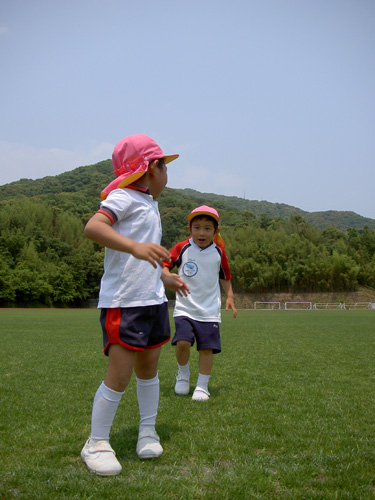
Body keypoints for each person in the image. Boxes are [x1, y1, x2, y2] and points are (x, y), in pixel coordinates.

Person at [81, 134, 189, 476]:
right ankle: (96, 443)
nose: (167, 177)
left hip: (153, 301)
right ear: (152, 168)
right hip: (124, 304)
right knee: (120, 375)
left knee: (149, 370)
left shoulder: (149, 204)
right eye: (165, 168)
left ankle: (147, 430)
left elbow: (145, 260)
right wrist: (134, 246)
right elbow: (93, 227)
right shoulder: (123, 196)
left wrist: (164, 278)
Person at [162, 205, 237, 402]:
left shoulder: (219, 253)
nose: (201, 233)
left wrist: (229, 297)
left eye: (207, 228)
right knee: (183, 343)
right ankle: (183, 375)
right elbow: (164, 264)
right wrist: (167, 275)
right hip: (185, 308)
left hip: (209, 310)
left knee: (206, 349)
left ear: (215, 231)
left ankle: (202, 387)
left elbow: (225, 277)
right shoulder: (182, 247)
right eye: (197, 227)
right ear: (190, 228)